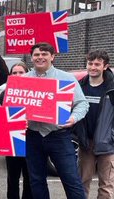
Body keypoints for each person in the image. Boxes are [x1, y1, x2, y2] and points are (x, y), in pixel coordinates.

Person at [24, 43, 88, 199]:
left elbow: (82, 103)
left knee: (71, 179)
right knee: (36, 181)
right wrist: (17, 119)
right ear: (32, 58)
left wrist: (73, 118)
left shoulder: (66, 78)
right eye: (37, 54)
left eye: (44, 54)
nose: (40, 57)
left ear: (52, 57)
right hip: (32, 136)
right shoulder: (22, 80)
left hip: (59, 135)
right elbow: (12, 108)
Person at [75, 50, 114, 198]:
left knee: (106, 186)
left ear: (105, 66)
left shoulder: (112, 88)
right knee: (81, 182)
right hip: (86, 143)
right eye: (90, 63)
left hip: (108, 144)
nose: (93, 67)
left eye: (97, 64)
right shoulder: (80, 86)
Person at [0, 62, 32, 199]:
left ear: (27, 73)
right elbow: (0, 117)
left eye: (21, 72)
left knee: (30, 177)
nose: (17, 75)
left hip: (31, 139)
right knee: (12, 177)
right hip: (12, 139)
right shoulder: (5, 93)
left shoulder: (35, 91)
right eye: (14, 73)